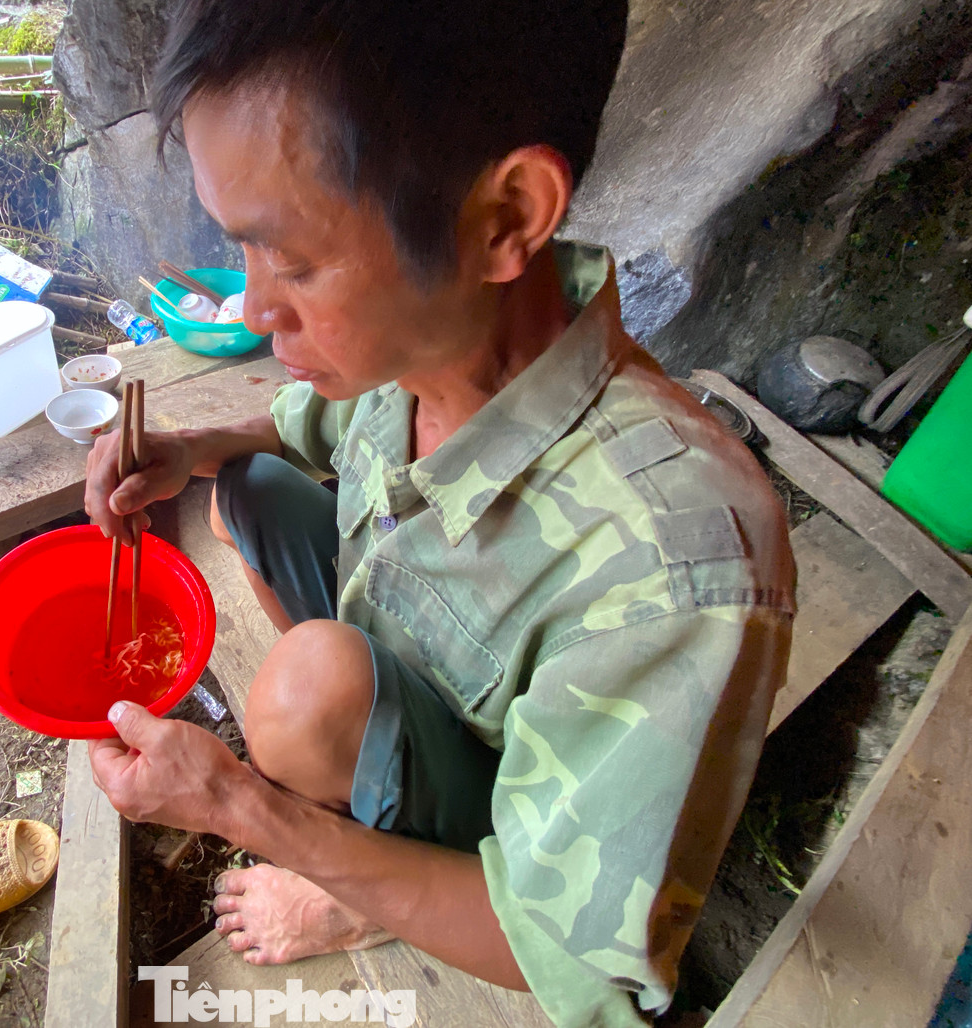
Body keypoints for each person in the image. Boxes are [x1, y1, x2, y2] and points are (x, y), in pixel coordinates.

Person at [83, 1, 796, 1023]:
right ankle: (351, 776)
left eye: (292, 260)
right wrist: (190, 449)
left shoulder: (676, 568)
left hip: (500, 834)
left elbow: (572, 962)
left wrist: (245, 807)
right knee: (245, 489)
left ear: (505, 217)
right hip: (404, 653)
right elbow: (302, 430)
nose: (253, 309)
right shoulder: (416, 341)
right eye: (243, 248)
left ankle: (359, 893)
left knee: (305, 691)